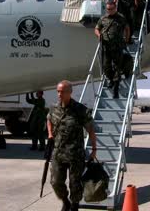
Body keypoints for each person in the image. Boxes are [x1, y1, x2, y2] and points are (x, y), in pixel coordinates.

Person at [47, 80, 97, 211]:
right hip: (58, 153)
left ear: (70, 92)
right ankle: (65, 200)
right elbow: (49, 119)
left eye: (62, 92)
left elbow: (91, 130)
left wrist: (94, 149)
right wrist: (50, 134)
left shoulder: (80, 110)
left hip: (75, 154)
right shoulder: (54, 107)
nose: (59, 94)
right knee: (55, 182)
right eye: (58, 91)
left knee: (75, 184)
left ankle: (74, 205)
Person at [95, 1, 130, 99]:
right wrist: (99, 35)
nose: (109, 11)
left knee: (117, 68)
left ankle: (115, 90)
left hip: (118, 47)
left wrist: (126, 39)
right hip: (106, 47)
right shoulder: (103, 18)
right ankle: (110, 79)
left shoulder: (121, 18)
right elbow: (97, 29)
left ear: (115, 8)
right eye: (108, 9)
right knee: (106, 66)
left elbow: (127, 28)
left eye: (111, 9)